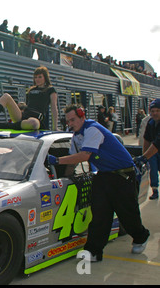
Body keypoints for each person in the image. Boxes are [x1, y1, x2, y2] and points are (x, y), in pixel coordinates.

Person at [48, 104, 150, 261]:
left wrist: (56, 160)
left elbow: (84, 156)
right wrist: (65, 178)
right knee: (99, 214)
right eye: (68, 121)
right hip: (104, 175)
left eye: (73, 119)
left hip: (123, 175)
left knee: (127, 214)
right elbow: (72, 162)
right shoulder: (76, 136)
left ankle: (141, 236)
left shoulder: (92, 129)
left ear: (82, 116)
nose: (70, 124)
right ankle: (94, 250)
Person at [0, 66, 58, 130]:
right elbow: (29, 105)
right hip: (23, 115)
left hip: (36, 119)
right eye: (35, 77)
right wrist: (22, 105)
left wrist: (55, 127)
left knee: (34, 124)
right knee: (6, 96)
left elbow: (54, 108)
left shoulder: (50, 90)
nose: (37, 79)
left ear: (45, 77)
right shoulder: (31, 90)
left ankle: (8, 126)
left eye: (40, 77)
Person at [138, 99, 160, 200]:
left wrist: (144, 157)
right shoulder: (150, 122)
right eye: (153, 111)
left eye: (158, 110)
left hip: (156, 147)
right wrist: (144, 157)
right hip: (154, 150)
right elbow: (146, 139)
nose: (155, 113)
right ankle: (155, 189)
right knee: (153, 169)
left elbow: (157, 143)